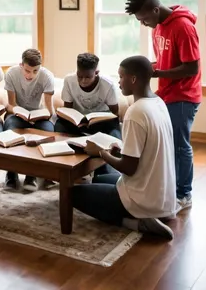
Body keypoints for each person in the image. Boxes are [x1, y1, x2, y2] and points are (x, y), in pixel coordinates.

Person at [72, 56, 177, 240]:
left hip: (144, 199)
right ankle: (148, 214)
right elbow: (147, 150)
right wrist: (120, 150)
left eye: (121, 77)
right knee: (99, 179)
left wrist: (101, 153)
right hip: (162, 195)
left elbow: (129, 167)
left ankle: (137, 222)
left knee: (71, 194)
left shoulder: (135, 112)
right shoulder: (158, 103)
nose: (119, 82)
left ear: (133, 79)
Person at [125, 0, 201, 211]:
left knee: (179, 146)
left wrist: (157, 73)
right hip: (167, 93)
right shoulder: (157, 28)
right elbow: (166, 61)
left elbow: (192, 67)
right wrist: (149, 67)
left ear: (156, 10)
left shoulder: (183, 27)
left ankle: (183, 194)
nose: (143, 23)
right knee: (166, 144)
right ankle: (168, 188)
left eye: (144, 18)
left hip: (185, 95)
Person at [2, 48, 55, 192]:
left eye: (35, 71)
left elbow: (49, 110)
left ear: (40, 68)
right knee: (9, 128)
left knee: (48, 131)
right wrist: (20, 112)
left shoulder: (47, 77)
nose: (30, 75)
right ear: (21, 65)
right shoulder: (12, 74)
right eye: (27, 70)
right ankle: (11, 173)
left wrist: (41, 115)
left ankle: (32, 174)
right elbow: (11, 105)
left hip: (39, 116)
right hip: (18, 115)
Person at [54, 53, 121, 139]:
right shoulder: (69, 81)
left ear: (96, 73)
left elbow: (115, 112)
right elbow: (68, 109)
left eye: (88, 77)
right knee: (59, 125)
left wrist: (96, 121)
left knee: (114, 132)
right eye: (79, 76)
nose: (83, 80)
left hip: (101, 122)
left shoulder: (108, 84)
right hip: (78, 122)